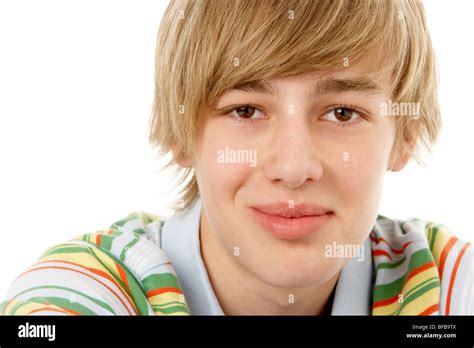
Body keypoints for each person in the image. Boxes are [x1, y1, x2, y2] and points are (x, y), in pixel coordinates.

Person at [1, 0, 472, 316]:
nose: (292, 169)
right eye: (245, 110)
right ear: (181, 134)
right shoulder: (78, 294)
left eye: (342, 112)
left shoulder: (451, 289)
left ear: (404, 134)